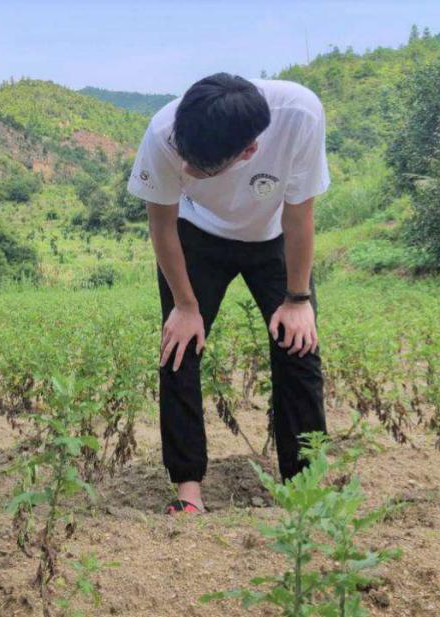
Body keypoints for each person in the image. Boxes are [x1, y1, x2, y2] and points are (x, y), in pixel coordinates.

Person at [126, 73, 330, 514]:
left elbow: (300, 214)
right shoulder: (164, 133)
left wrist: (298, 301)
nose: (184, 170)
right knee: (179, 349)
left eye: (198, 169)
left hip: (274, 236)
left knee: (299, 347)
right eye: (184, 157)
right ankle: (188, 491)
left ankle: (305, 486)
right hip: (196, 237)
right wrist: (184, 304)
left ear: (249, 151)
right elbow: (162, 224)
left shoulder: (300, 116)